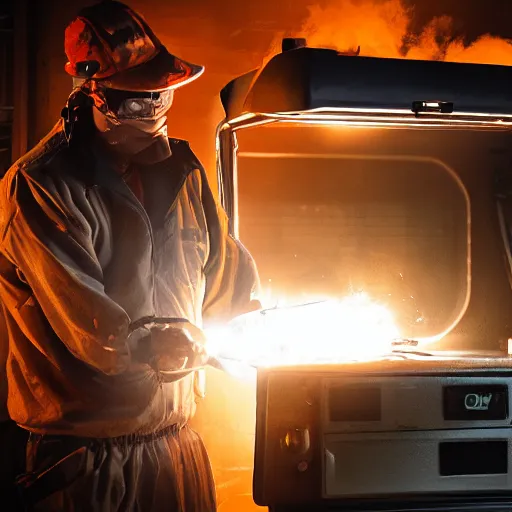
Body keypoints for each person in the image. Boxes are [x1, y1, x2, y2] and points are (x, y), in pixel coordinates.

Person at [0, 1, 260, 510]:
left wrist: (261, 334)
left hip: (176, 442)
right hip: (89, 463)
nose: (155, 113)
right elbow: (95, 333)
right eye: (139, 101)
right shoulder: (41, 186)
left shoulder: (183, 174)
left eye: (162, 96)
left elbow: (227, 280)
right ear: (90, 96)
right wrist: (163, 344)